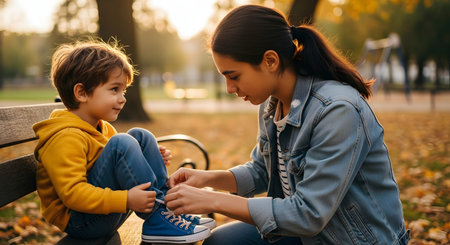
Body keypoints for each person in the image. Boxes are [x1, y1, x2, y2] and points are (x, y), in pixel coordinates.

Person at [164, 5, 410, 244]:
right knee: (220, 241)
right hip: (306, 234)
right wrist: (206, 179)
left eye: (234, 76)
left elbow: (309, 214)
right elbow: (262, 171)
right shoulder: (272, 105)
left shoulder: (337, 110)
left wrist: (211, 200)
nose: (230, 88)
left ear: (270, 61)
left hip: (350, 238)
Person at [32, 40, 214, 243]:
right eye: (114, 89)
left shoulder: (100, 127)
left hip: (104, 212)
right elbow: (73, 194)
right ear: (81, 93)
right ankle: (157, 219)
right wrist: (126, 199)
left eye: (124, 91)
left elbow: (113, 165)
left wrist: (146, 156)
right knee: (122, 142)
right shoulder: (64, 137)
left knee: (140, 136)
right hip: (81, 221)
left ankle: (167, 209)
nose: (123, 98)